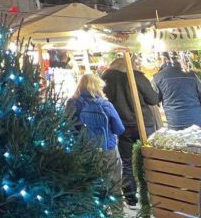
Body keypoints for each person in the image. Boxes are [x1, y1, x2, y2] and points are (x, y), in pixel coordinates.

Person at [103, 55, 160, 206]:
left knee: (127, 163)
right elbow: (153, 99)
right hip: (144, 124)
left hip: (122, 126)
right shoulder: (137, 77)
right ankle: (152, 197)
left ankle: (130, 198)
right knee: (149, 160)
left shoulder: (107, 78)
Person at [65, 73, 124, 190]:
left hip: (83, 150)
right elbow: (119, 129)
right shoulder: (105, 104)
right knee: (113, 185)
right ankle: (115, 202)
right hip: (107, 149)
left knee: (89, 185)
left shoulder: (72, 102)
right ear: (97, 86)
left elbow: (67, 126)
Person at [153, 55, 201, 130]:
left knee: (177, 137)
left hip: (174, 121)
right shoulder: (193, 75)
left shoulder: (158, 77)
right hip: (196, 119)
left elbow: (153, 99)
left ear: (165, 60)